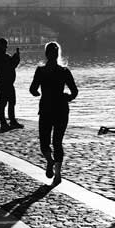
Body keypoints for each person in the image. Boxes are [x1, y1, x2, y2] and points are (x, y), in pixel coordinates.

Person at [29, 41, 78, 182]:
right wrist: (67, 97)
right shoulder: (64, 71)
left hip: (46, 109)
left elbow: (33, 89)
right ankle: (57, 174)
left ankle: (50, 161)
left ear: (46, 54)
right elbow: (74, 91)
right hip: (61, 109)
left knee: (44, 142)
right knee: (57, 142)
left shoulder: (40, 71)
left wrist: (37, 93)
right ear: (58, 55)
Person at [0, 37, 23, 130]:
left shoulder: (2, 55)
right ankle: (4, 122)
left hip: (7, 82)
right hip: (4, 82)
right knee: (4, 102)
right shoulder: (0, 56)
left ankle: (11, 121)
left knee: (11, 101)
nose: (6, 47)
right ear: (1, 46)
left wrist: (15, 57)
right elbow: (11, 65)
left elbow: (12, 64)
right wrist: (16, 57)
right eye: (5, 46)